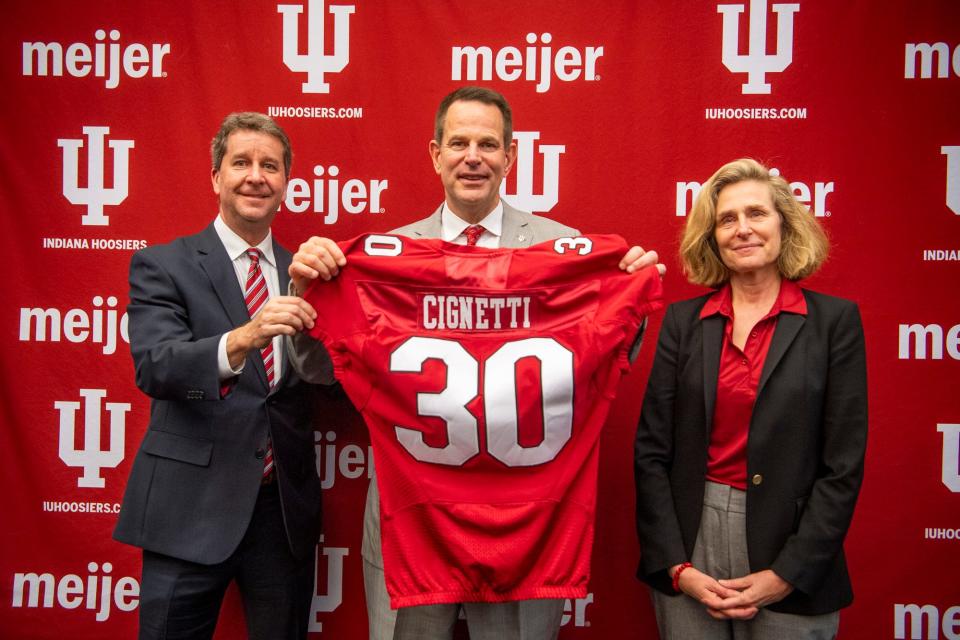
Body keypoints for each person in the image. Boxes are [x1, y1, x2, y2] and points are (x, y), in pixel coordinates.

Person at [286, 86, 663, 640]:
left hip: (526, 526)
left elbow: (603, 364)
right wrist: (309, 295)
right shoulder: (383, 256)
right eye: (458, 142)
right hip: (410, 518)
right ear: (435, 154)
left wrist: (627, 297)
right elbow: (318, 372)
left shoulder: (563, 249)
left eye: (488, 144)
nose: (473, 156)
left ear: (510, 158)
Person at [634, 158, 867, 639]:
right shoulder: (683, 322)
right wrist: (677, 567)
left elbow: (842, 465)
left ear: (784, 223)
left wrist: (787, 574)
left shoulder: (834, 323)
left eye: (756, 214)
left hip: (792, 549)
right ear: (712, 237)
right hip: (691, 545)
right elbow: (652, 453)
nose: (743, 229)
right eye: (727, 219)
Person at [114, 112, 324, 640]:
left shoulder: (304, 273)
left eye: (270, 166)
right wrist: (244, 337)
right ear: (216, 178)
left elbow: (330, 377)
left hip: (281, 517)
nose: (257, 176)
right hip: (188, 509)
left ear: (285, 184)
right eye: (242, 163)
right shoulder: (164, 264)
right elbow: (156, 365)